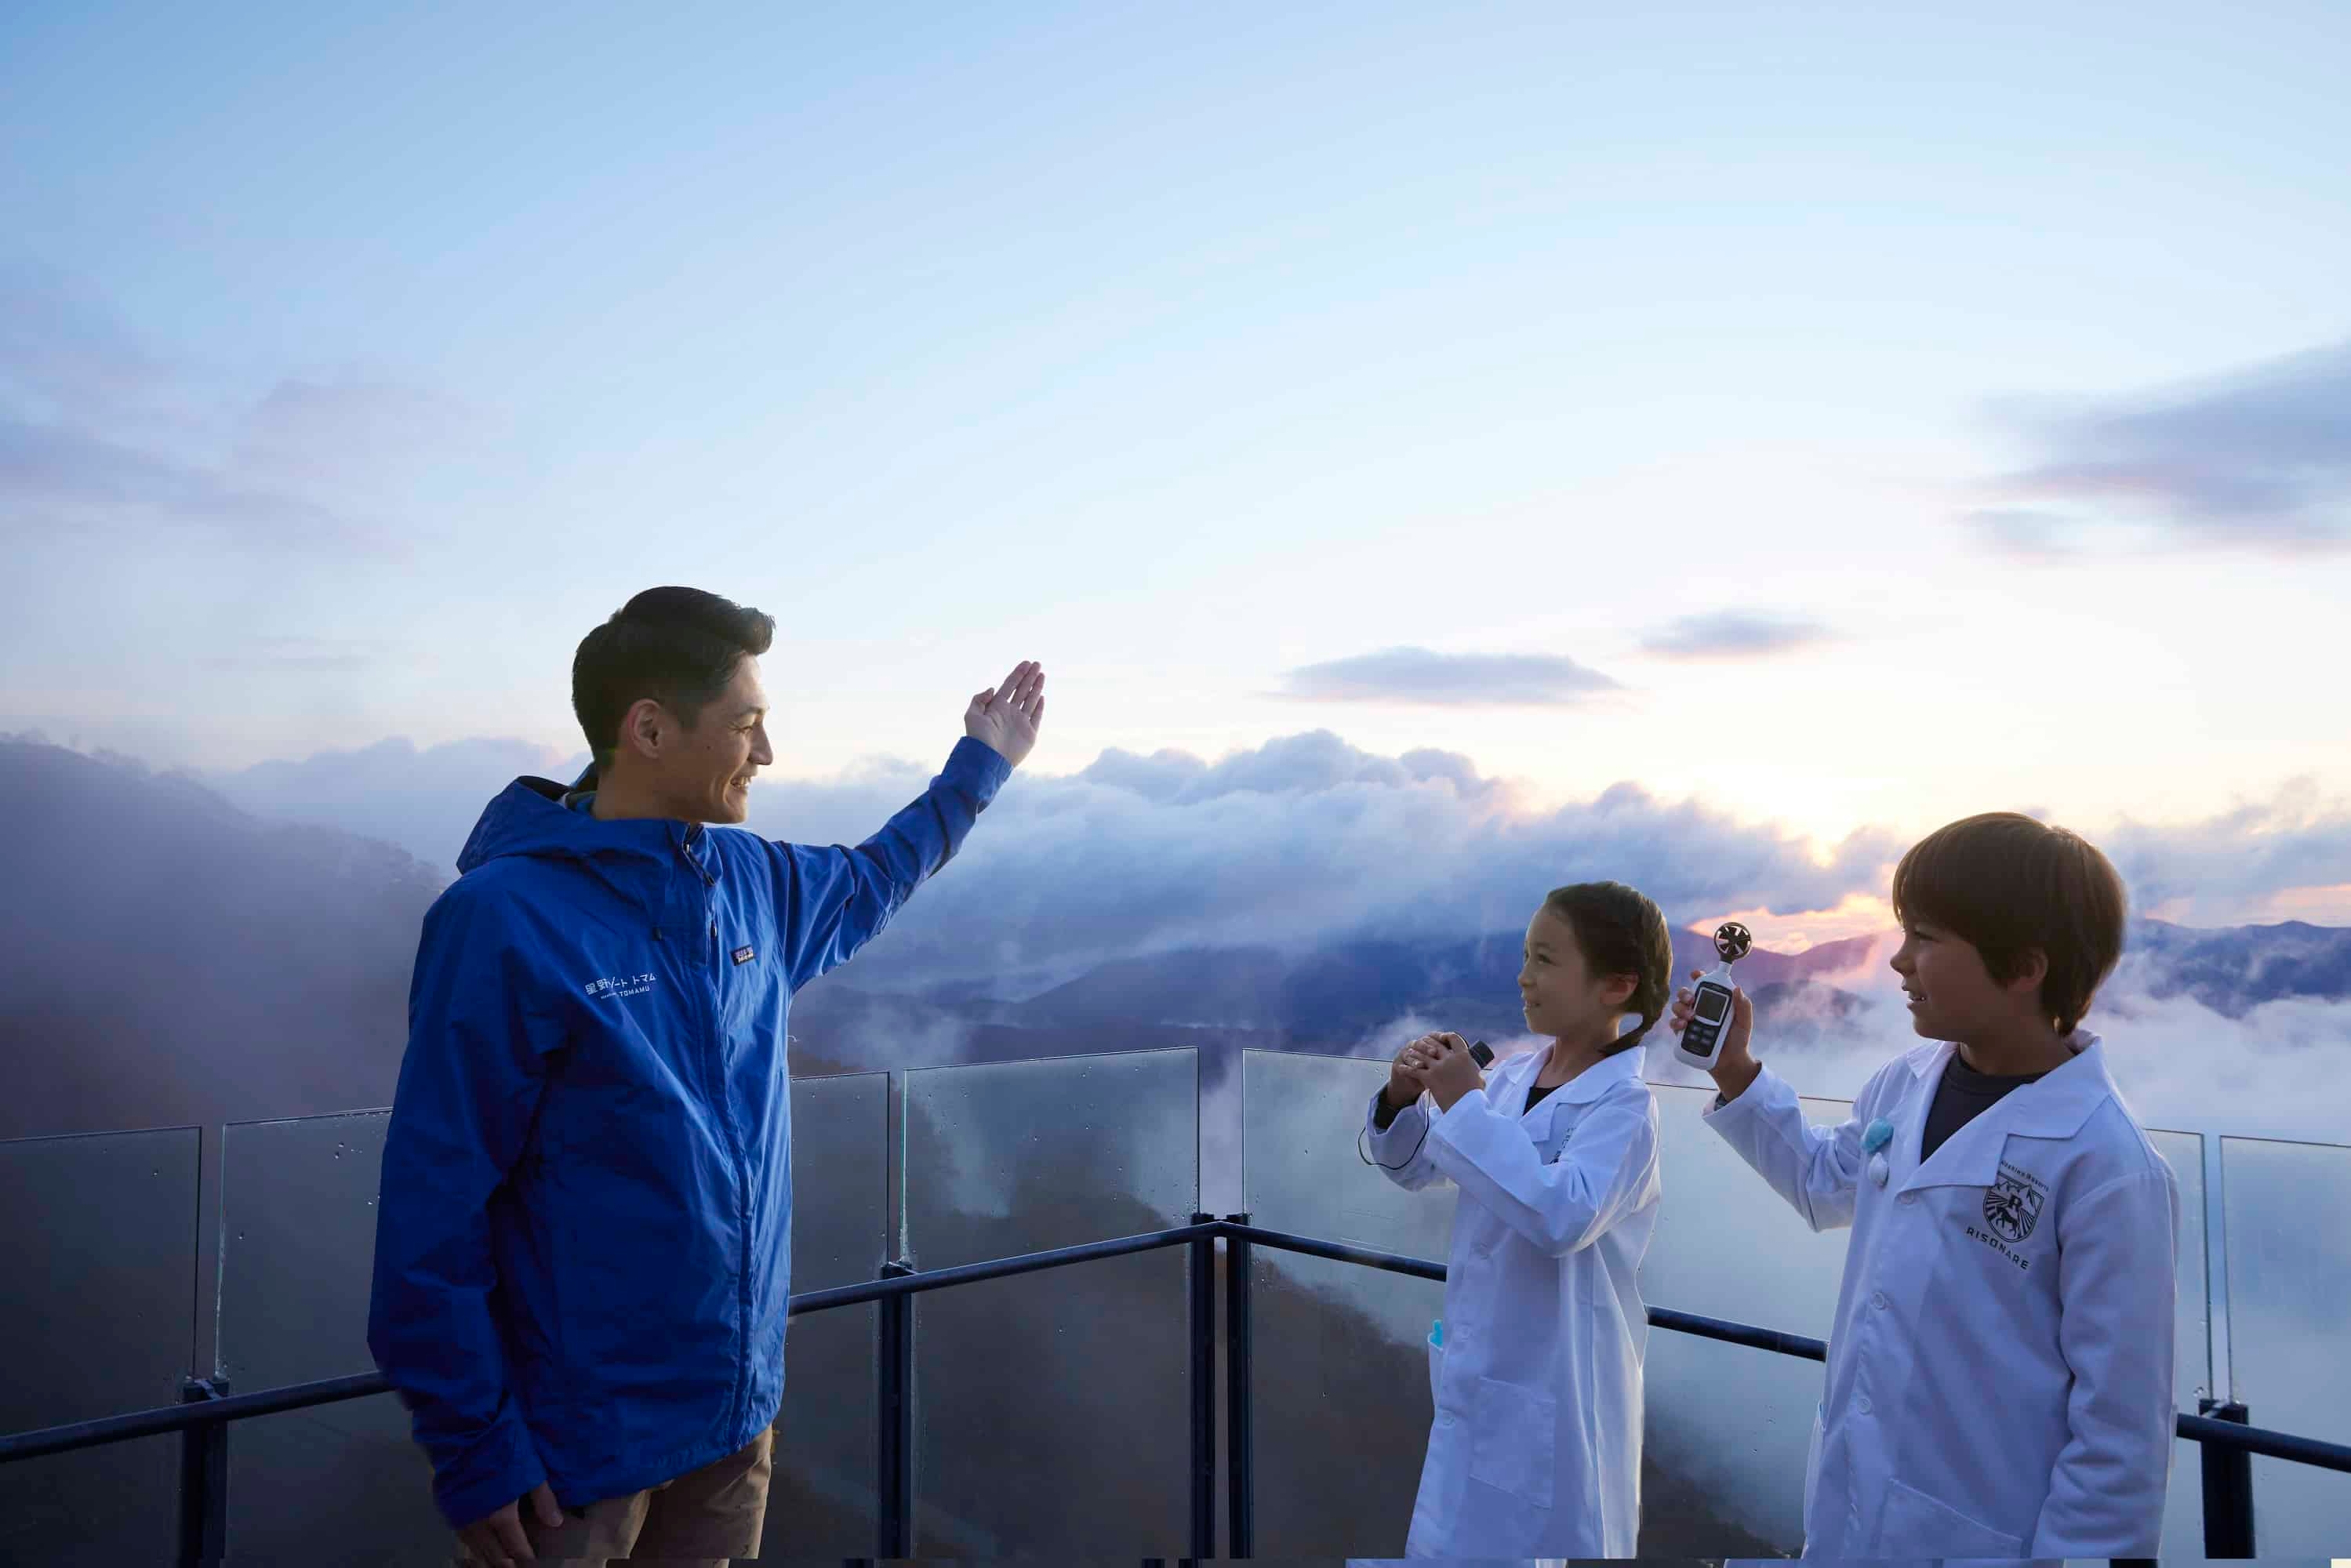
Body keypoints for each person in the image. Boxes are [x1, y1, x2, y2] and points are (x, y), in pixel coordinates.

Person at [366, 587, 1045, 1566]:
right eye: (744, 723)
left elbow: (878, 875)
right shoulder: (503, 918)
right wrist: (473, 1445)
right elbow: (434, 1204)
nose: (765, 752)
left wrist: (981, 763)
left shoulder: (751, 881)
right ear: (649, 729)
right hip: (573, 1456)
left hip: (733, 1419)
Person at [1673, 811, 2178, 1561]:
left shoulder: (2107, 1166)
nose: (1898, 960)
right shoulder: (1905, 1084)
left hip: (1982, 1537)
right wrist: (1733, 1067)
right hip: (1852, 1514)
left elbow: (2121, 1428)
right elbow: (1823, 1182)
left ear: (2025, 967)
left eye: (1926, 938)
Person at [1360, 880, 1671, 1558]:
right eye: (1526, 956)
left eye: (1545, 960)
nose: (1524, 977)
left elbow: (1562, 1216)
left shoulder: (1625, 1107)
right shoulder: (1507, 1080)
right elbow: (1415, 1167)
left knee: (1532, 1543)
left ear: (1617, 986)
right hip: (1486, 1372)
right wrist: (1401, 1099)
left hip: (1555, 1386)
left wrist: (1464, 1105)